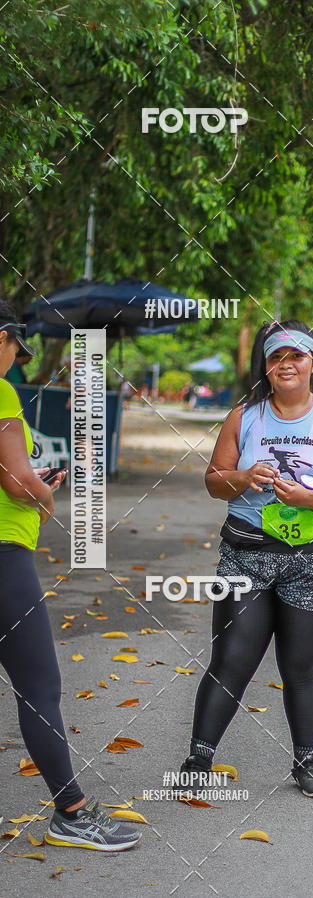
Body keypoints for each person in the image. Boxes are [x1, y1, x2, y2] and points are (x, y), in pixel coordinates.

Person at [180, 320, 313, 797]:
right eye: (275, 357)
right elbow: (213, 480)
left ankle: (307, 764)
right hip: (246, 554)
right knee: (232, 658)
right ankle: (198, 759)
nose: (286, 364)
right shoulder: (245, 418)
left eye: (296, 356)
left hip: (312, 557)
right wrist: (244, 477)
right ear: (266, 366)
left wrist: (311, 499)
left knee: (300, 666)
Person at [0, 301, 141, 852]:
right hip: (5, 555)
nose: (15, 360)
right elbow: (14, 480)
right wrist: (44, 494)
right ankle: (72, 814)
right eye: (16, 347)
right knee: (39, 689)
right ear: (5, 337)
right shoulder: (3, 393)